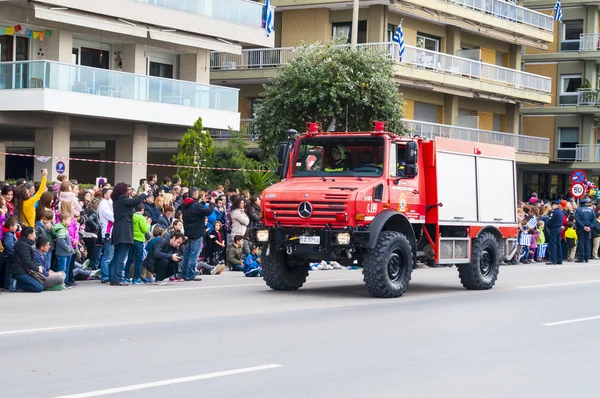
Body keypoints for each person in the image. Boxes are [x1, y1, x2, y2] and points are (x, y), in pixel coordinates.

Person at [109, 183, 149, 286]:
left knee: (117, 255)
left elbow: (133, 201)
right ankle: (117, 278)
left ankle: (113, 277)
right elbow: (135, 201)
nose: (129, 190)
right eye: (128, 189)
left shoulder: (117, 200)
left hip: (118, 230)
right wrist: (144, 193)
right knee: (121, 256)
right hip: (124, 231)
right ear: (123, 190)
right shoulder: (122, 199)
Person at [180, 188, 215, 281]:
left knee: (187, 254)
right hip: (197, 232)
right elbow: (208, 211)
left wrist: (202, 203)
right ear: (195, 195)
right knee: (194, 255)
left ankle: (184, 274)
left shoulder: (185, 204)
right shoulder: (195, 205)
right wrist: (211, 204)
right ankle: (190, 274)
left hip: (188, 231)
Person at [10, 227, 44, 293]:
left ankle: (21, 283)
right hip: (20, 271)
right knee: (38, 288)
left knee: (41, 284)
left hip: (25, 270)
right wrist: (37, 268)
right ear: (29, 235)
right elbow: (27, 261)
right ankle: (17, 284)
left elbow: (31, 259)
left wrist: (38, 265)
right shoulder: (23, 245)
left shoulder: (26, 243)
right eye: (34, 234)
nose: (35, 235)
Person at [125, 203, 151, 285]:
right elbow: (144, 229)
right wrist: (148, 224)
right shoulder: (141, 218)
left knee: (130, 259)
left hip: (131, 239)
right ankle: (136, 278)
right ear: (142, 210)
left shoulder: (131, 216)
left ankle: (127, 277)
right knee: (138, 260)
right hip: (139, 240)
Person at [98, 187, 114, 283]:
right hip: (108, 232)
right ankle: (105, 275)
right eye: (110, 193)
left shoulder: (108, 203)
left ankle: (108, 274)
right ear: (105, 195)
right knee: (108, 256)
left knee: (110, 255)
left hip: (111, 232)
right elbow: (112, 218)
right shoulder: (104, 205)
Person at [52, 213, 74, 284]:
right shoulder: (61, 229)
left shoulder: (64, 228)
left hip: (67, 252)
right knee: (62, 268)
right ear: (64, 220)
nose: (70, 221)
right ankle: (61, 282)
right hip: (63, 252)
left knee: (66, 268)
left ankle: (65, 281)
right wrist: (68, 248)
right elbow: (61, 241)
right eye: (69, 220)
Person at [575, 198, 596, 263]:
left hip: (580, 228)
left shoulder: (578, 210)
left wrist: (583, 226)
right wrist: (590, 227)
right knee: (587, 242)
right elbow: (594, 220)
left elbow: (577, 220)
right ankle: (587, 258)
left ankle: (582, 257)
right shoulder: (591, 210)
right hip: (588, 228)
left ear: (580, 204)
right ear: (586, 203)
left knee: (581, 242)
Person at [546, 201, 564, 265]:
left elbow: (550, 221)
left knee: (553, 244)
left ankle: (553, 259)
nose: (551, 207)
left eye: (552, 205)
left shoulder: (554, 212)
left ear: (555, 205)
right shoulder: (561, 212)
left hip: (554, 228)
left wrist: (548, 226)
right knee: (558, 244)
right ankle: (559, 259)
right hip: (559, 228)